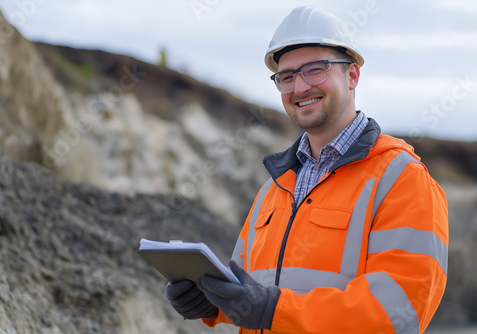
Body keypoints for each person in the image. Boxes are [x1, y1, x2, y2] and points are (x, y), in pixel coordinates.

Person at [164, 7, 448, 334]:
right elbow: (252, 294)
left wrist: (275, 309)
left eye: (315, 70)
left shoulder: (402, 180)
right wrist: (214, 303)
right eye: (286, 76)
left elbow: (399, 310)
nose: (299, 88)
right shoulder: (275, 188)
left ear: (352, 75)